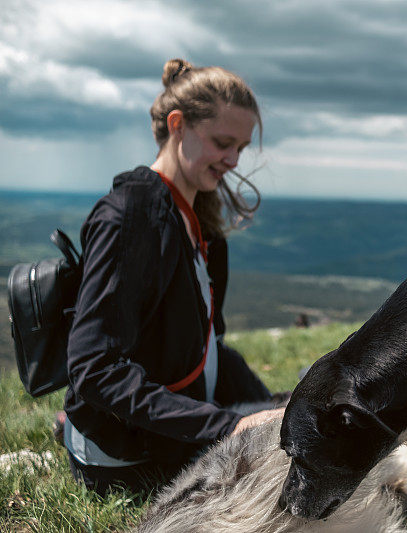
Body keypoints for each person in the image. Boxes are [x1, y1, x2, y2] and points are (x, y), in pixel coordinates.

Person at [61, 58, 286, 495]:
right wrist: (232, 425)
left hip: (175, 428)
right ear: (177, 124)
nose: (233, 160)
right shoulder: (129, 217)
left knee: (305, 421)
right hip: (127, 456)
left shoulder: (197, 222)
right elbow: (93, 368)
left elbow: (207, 345)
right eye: (223, 143)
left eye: (240, 147)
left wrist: (271, 408)